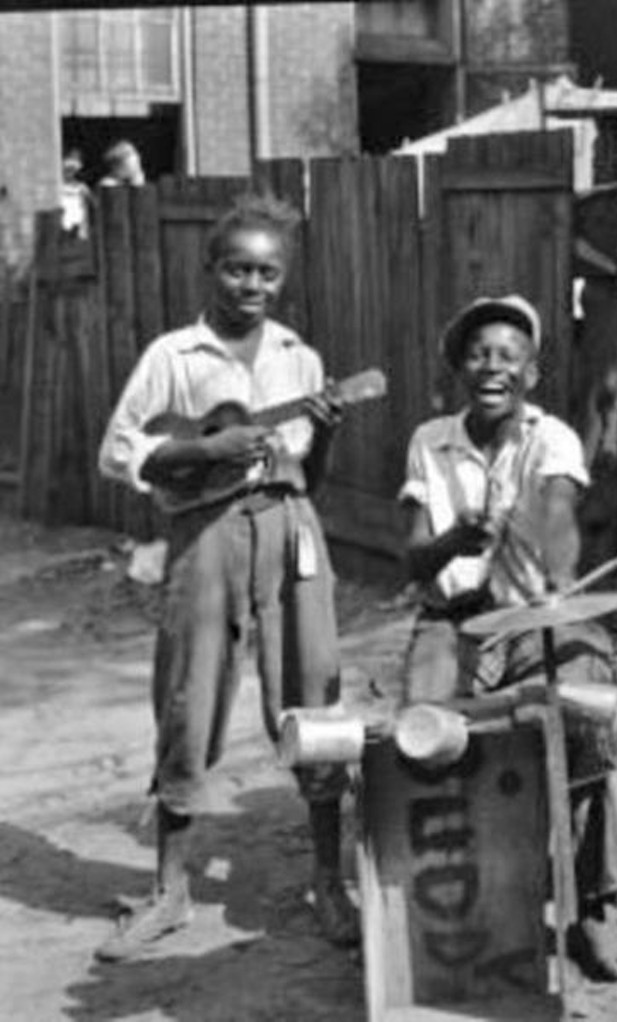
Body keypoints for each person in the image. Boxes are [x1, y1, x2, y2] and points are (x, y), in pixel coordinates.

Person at [96, 193, 359, 961]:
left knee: (316, 695)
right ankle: (170, 890)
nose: (252, 284)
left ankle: (327, 880)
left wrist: (330, 435)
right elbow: (120, 450)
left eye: (267, 272)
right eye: (238, 268)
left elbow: (314, 473)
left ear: (282, 279)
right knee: (188, 695)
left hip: (289, 527)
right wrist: (208, 453)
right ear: (211, 270)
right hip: (204, 533)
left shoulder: (300, 357)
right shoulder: (172, 357)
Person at [399, 294, 617, 981]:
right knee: (423, 731)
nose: (492, 367)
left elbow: (562, 547)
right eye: (479, 354)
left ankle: (588, 912)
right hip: (449, 620)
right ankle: (454, 913)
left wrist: (530, 536)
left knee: (590, 712)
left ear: (530, 374)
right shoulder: (430, 440)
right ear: (460, 368)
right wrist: (460, 536)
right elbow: (416, 557)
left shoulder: (554, 439)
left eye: (508, 357)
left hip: (536, 612)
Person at [59, 149, 91, 238]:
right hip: (61, 228)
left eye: (72, 170)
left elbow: (90, 207)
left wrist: (84, 229)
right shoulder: (55, 187)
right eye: (67, 170)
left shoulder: (82, 188)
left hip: (77, 229)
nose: (69, 173)